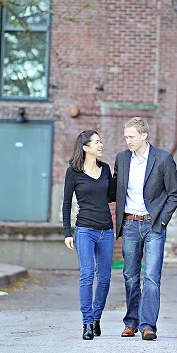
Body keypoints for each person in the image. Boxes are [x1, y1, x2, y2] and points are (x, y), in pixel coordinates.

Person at [114, 117, 177, 341]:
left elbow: (174, 194)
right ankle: (131, 322)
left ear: (144, 136)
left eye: (131, 136)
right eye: (126, 137)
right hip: (130, 223)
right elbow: (114, 189)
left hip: (153, 225)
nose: (128, 141)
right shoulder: (122, 159)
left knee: (151, 277)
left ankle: (148, 325)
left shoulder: (163, 159)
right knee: (130, 276)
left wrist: (162, 221)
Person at [62, 130, 117, 340]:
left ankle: (96, 318)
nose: (101, 145)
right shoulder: (73, 172)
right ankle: (87, 323)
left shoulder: (105, 170)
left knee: (104, 278)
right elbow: (66, 204)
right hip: (84, 229)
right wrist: (68, 232)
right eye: (97, 142)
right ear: (85, 147)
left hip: (105, 229)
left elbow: (112, 196)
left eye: (100, 141)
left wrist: (118, 178)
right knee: (87, 274)